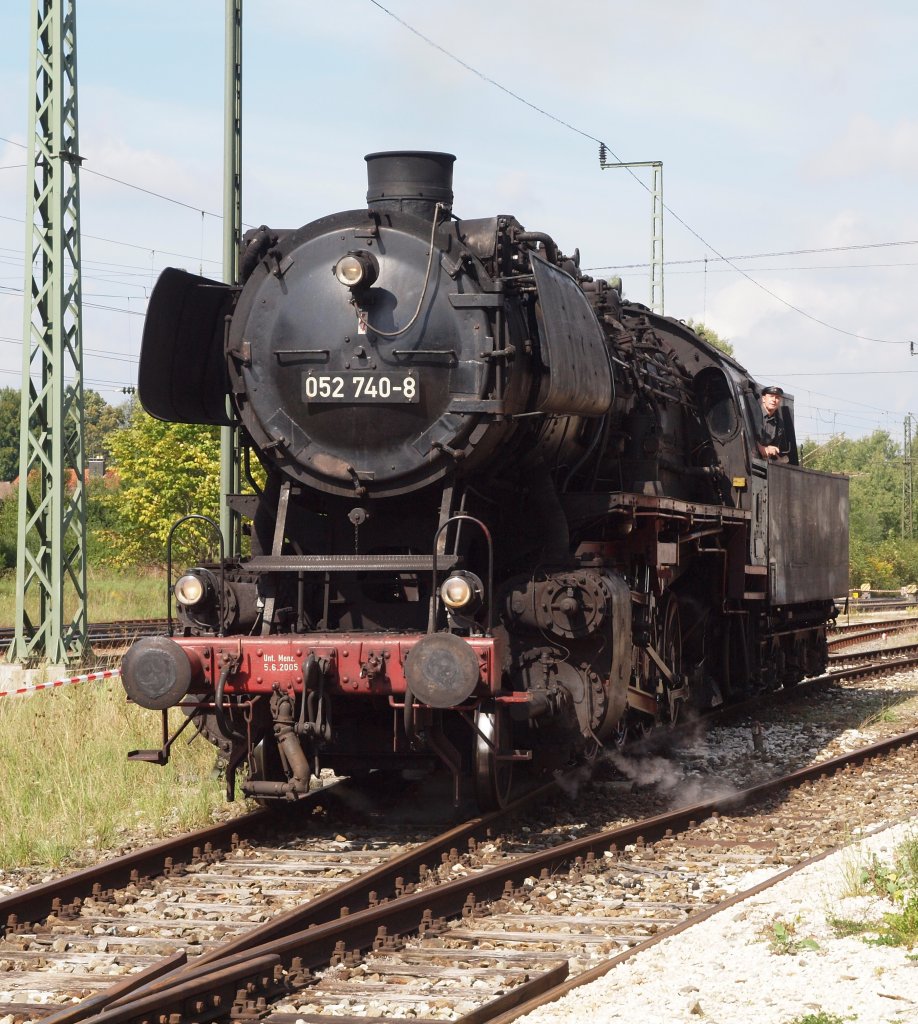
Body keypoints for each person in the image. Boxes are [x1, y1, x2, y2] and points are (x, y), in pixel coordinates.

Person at [756, 385, 788, 462]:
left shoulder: (779, 423)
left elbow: (774, 445)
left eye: (777, 397)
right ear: (763, 399)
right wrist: (761, 448)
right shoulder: (754, 413)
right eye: (771, 396)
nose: (774, 400)